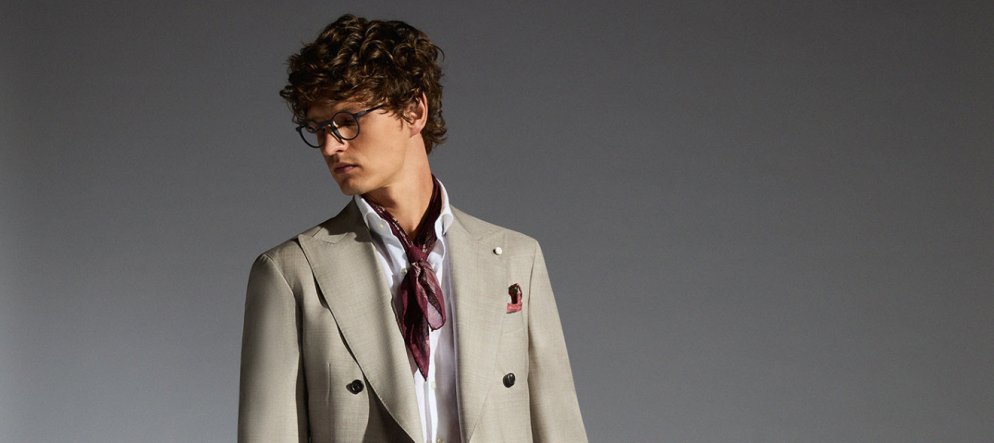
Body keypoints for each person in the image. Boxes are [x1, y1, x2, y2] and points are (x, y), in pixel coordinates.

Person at [237, 14, 587, 443]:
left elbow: (561, 429)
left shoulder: (517, 259)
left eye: (347, 120)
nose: (330, 145)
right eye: (320, 128)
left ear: (414, 111)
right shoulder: (292, 273)